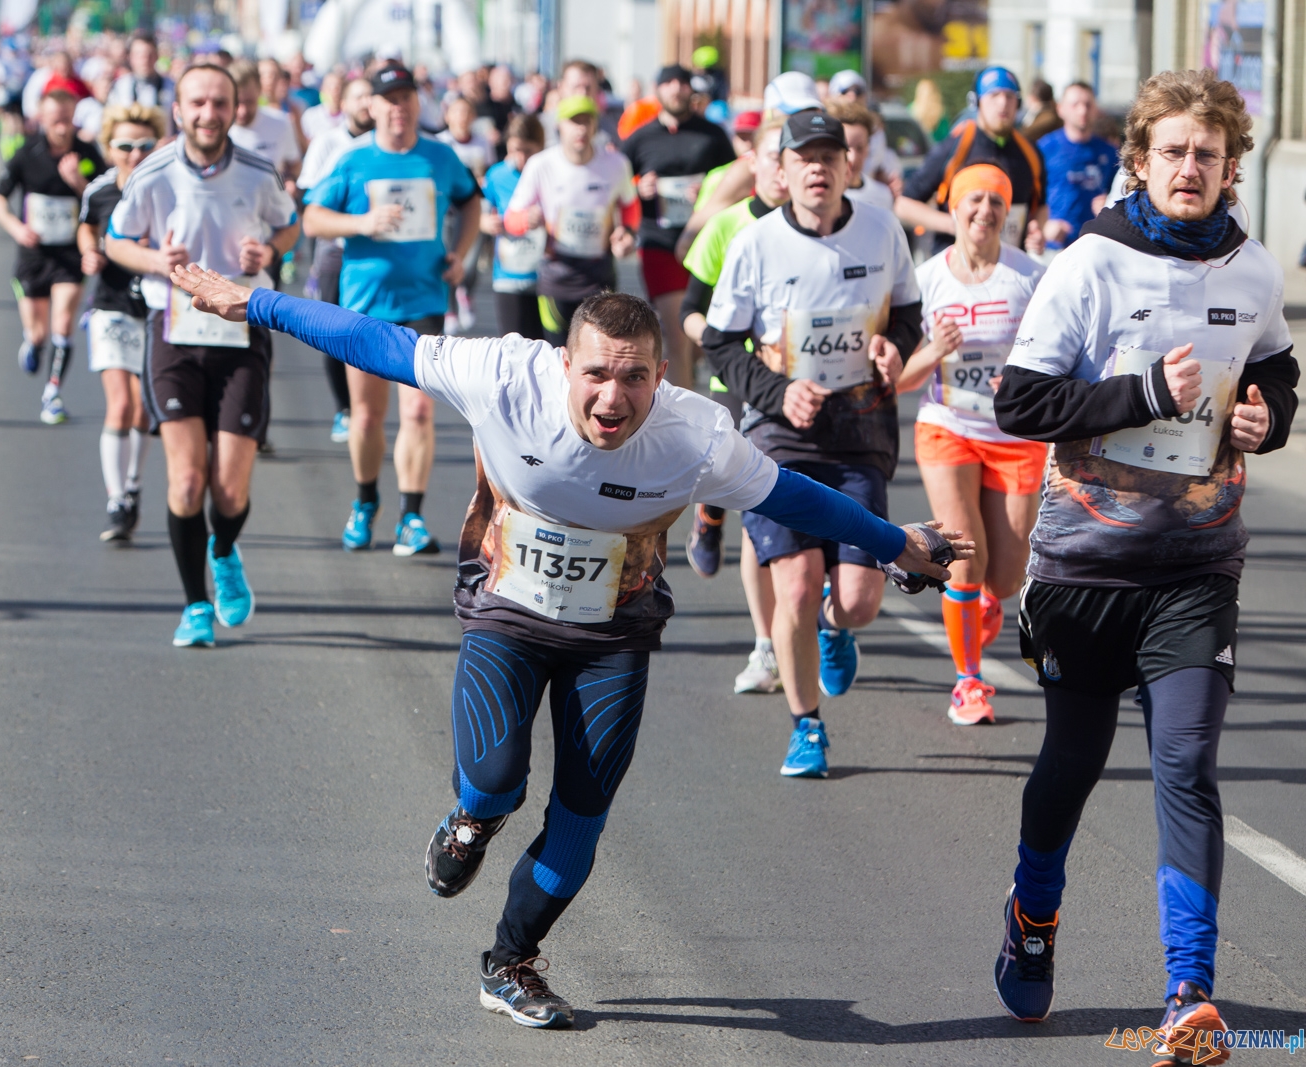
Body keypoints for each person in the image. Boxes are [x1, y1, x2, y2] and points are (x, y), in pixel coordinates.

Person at [166, 267, 968, 1030]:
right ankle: (470, 822)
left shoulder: (697, 436)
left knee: (581, 819)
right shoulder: (504, 374)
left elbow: (797, 495)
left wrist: (895, 542)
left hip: (613, 635)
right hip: (508, 615)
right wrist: (258, 302)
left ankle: (510, 961)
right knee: (493, 782)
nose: (612, 399)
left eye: (635, 379)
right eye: (595, 375)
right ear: (563, 364)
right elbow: (371, 338)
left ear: (663, 376)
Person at [987, 70, 1298, 1055]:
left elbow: (1277, 370)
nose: (1190, 168)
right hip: (1085, 569)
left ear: (1229, 165)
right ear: (1139, 160)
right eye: (1172, 151)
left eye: (1208, 153)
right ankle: (1033, 915)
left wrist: (1268, 416)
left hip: (1195, 569)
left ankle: (1188, 987)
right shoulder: (1088, 265)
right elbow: (1019, 405)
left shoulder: (1249, 269)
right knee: (1071, 765)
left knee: (1186, 765)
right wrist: (1135, 395)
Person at [702, 110, 925, 777]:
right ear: (785, 169)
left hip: (859, 432)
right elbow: (717, 341)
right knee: (795, 585)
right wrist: (774, 391)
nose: (819, 169)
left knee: (855, 599)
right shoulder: (756, 243)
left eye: (830, 156)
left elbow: (910, 313)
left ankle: (835, 627)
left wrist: (895, 345)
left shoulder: (883, 229)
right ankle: (806, 726)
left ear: (847, 166)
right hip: (781, 437)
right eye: (805, 158)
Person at [103, 64, 300, 647]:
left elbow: (290, 227)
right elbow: (117, 240)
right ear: (180, 109)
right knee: (187, 481)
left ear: (234, 107)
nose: (209, 113)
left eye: (219, 103)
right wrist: (157, 263)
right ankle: (194, 606)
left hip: (242, 330)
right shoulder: (154, 173)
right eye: (198, 103)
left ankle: (222, 549)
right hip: (176, 332)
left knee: (229, 491)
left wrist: (269, 248)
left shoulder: (259, 171)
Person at [302, 63, 482, 556]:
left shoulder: (440, 157)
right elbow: (313, 218)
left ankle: (411, 516)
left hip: (424, 301)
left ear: (417, 105)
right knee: (365, 417)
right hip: (365, 304)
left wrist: (460, 253)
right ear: (373, 106)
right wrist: (361, 222)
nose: (399, 107)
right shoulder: (352, 160)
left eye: (407, 98)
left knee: (419, 411)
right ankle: (365, 503)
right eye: (389, 98)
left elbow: (471, 202)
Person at [895, 165, 1047, 724]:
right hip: (948, 427)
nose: (984, 210)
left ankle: (984, 600)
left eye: (996, 202)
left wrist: (1028, 383)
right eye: (973, 200)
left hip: (1014, 435)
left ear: (1009, 212)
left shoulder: (1031, 277)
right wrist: (933, 351)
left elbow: (1057, 356)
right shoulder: (926, 279)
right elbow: (898, 380)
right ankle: (969, 682)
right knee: (963, 561)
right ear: (953, 208)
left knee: (1005, 576)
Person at [678, 119, 788, 691]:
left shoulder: (823, 227)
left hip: (799, 379)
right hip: (737, 372)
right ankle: (709, 516)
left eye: (786, 156)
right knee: (747, 492)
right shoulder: (728, 225)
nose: (779, 167)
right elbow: (689, 307)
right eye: (771, 156)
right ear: (755, 162)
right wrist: (717, 341)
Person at [0, 88, 105, 425]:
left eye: (67, 119)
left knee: (64, 322)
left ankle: (52, 394)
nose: (61, 126)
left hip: (71, 253)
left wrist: (79, 182)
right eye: (55, 119)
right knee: (38, 331)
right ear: (41, 118)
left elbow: (103, 199)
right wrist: (16, 228)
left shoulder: (86, 153)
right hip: (34, 253)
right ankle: (32, 342)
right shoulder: (28, 152)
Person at [79, 102, 165, 542]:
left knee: (143, 406)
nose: (134, 153)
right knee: (121, 402)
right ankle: (117, 499)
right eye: (125, 145)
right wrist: (89, 251)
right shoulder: (99, 191)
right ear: (109, 147)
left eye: (144, 145)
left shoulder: (168, 189)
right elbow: (86, 227)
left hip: (154, 308)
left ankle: (133, 483)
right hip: (111, 305)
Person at [622, 64, 738, 388]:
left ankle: (691, 379)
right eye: (668, 83)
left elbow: (736, 179)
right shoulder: (641, 137)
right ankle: (686, 419)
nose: (676, 89)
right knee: (676, 333)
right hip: (659, 242)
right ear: (657, 91)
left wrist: (710, 192)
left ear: (692, 90)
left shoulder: (712, 134)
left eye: (682, 83)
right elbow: (614, 185)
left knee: (698, 337)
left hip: (706, 243)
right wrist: (636, 188)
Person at [503, 95, 637, 346]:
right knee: (560, 355)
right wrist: (527, 219)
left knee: (599, 354)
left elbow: (630, 207)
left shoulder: (616, 164)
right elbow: (511, 219)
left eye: (587, 121)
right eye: (574, 122)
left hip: (600, 276)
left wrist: (627, 232)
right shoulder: (541, 164)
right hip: (557, 278)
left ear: (596, 125)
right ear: (559, 126)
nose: (581, 129)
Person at [898, 66, 1048, 256]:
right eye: (994, 95)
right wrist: (955, 224)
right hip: (957, 268)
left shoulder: (1030, 152)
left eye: (1010, 96)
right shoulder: (957, 146)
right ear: (976, 102)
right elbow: (904, 205)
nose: (1003, 103)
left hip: (1009, 270)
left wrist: (1037, 228)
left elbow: (1041, 205)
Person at [299, 76, 374, 444]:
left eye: (369, 97)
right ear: (342, 103)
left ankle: (367, 407)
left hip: (377, 251)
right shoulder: (329, 143)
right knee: (333, 331)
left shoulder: (386, 145)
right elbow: (308, 192)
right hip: (335, 249)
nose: (365, 103)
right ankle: (344, 407)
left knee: (369, 330)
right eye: (357, 96)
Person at [480, 114, 546, 340]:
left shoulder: (549, 172)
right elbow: (480, 211)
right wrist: (485, 223)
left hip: (545, 277)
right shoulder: (497, 174)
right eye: (514, 150)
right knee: (513, 349)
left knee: (549, 351)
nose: (520, 158)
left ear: (541, 147)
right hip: (508, 275)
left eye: (527, 151)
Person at [1037, 82, 1119, 249]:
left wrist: (1110, 205)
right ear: (1061, 109)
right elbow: (1031, 197)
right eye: (1075, 105)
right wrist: (1044, 226)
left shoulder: (1110, 152)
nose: (1082, 111)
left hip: (1094, 245)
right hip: (1053, 248)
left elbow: (1123, 196)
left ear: (1095, 109)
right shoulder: (1045, 149)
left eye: (1088, 105)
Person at [438, 94, 494, 332]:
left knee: (471, 263)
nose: (462, 118)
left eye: (466, 112)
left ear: (473, 117)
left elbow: (489, 173)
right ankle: (449, 308)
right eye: (457, 112)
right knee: (447, 258)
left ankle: (465, 293)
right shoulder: (440, 143)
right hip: (445, 212)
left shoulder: (482, 143)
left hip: (473, 210)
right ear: (448, 115)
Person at [228, 59, 302, 190]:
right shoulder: (216, 128)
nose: (242, 111)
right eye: (237, 102)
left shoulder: (281, 122)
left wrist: (290, 181)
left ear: (259, 91)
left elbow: (294, 164)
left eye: (249, 102)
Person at [826, 68, 903, 191]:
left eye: (858, 91)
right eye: (845, 90)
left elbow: (881, 169)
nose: (852, 96)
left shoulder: (876, 130)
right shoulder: (821, 127)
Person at [828, 99, 896, 213]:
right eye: (846, 147)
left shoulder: (882, 196)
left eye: (860, 148)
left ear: (868, 148)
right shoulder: (822, 195)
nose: (852, 158)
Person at [108, 32, 174, 127]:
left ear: (157, 56)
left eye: (150, 55)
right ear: (130, 57)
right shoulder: (120, 87)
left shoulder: (170, 86)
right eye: (139, 55)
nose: (145, 60)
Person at [301, 70, 344, 143]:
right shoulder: (310, 115)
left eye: (338, 87)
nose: (334, 91)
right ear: (322, 89)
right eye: (330, 86)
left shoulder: (350, 115)